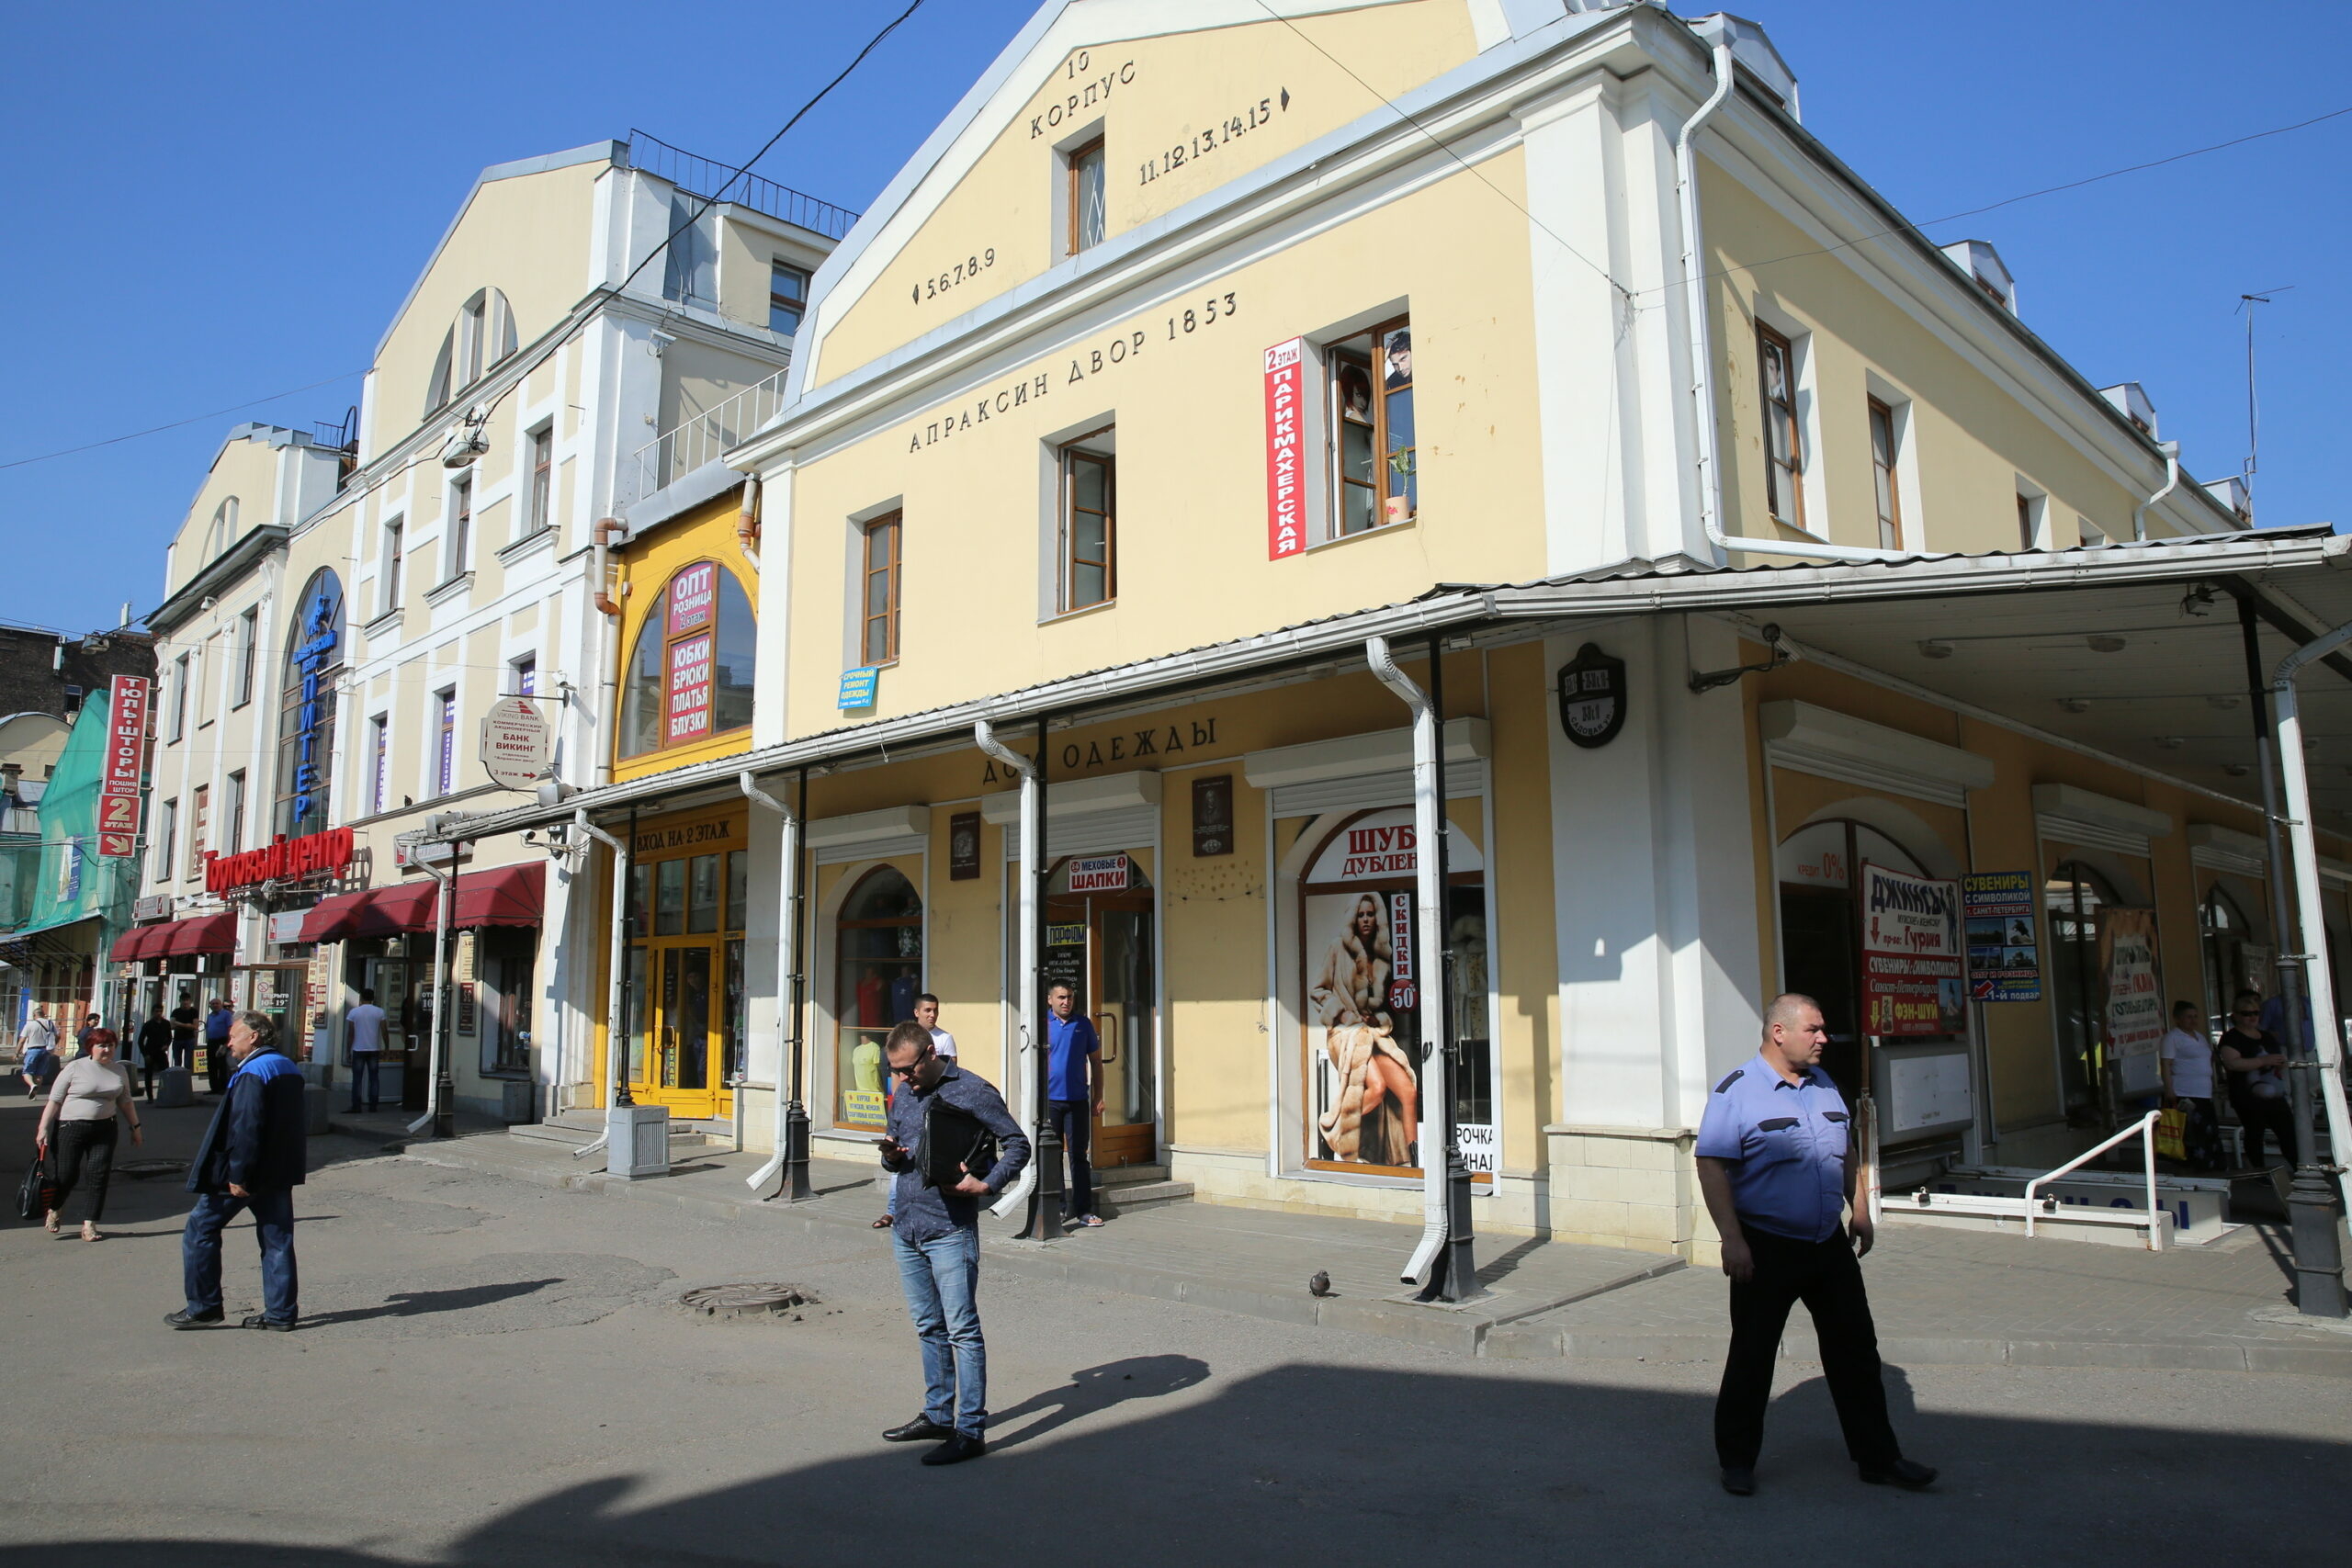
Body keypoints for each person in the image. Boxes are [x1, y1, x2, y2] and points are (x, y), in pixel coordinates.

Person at [1696, 993, 1935, 1497]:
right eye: (1814, 1029)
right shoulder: (1735, 1092)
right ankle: (1737, 1461)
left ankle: (1878, 1457)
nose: (1824, 1038)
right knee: (1753, 1357)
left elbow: (1844, 1149)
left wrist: (1862, 1209)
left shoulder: (1825, 1084)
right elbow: (1711, 1164)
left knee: (1856, 1353)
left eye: (1823, 1029)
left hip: (1828, 1244)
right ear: (1779, 1033)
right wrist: (1732, 1240)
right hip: (1766, 1246)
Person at [875, 1020, 1029, 1466]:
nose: (902, 1077)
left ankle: (970, 1429)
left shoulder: (973, 1090)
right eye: (895, 1069)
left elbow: (1017, 1145)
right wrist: (889, 1155)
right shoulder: (904, 1091)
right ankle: (938, 1414)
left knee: (961, 1329)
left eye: (907, 1068)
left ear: (929, 1054)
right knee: (928, 1326)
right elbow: (898, 1150)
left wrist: (988, 1184)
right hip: (907, 1225)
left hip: (950, 1227)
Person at [167, 1010, 306, 1331]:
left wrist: (238, 1175)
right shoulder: (287, 1066)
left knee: (200, 1228)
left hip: (249, 1172)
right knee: (277, 1240)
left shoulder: (253, 1072)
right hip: (279, 1170)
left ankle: (204, 1306)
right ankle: (280, 1314)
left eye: (234, 1035)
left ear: (253, 1037)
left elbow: (246, 1128)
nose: (229, 1042)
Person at [36, 1027, 143, 1241]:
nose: (107, 1050)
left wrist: (136, 1128)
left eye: (111, 1045)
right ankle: (55, 1208)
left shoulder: (118, 1070)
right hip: (71, 1128)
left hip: (105, 1129)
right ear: (90, 1048)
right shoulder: (75, 1068)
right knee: (66, 1176)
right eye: (102, 1045)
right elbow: (55, 1100)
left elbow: (126, 1101)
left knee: (98, 1175)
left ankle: (89, 1225)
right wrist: (43, 1128)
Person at [876, 995, 958, 1230]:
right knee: (898, 1156)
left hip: (933, 1108)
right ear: (916, 1013)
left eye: (935, 1011)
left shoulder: (944, 1039)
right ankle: (893, 1210)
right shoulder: (903, 1038)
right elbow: (896, 1075)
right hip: (906, 1105)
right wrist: (895, 1102)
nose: (932, 1015)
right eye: (927, 1011)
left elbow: (951, 1073)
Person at [1045, 981, 1106, 1229]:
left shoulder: (1083, 1025)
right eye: (1060, 997)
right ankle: (1058, 1207)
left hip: (1078, 1099)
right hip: (1050, 1101)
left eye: (1069, 997)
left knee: (1079, 1156)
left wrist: (1098, 1096)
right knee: (1052, 1154)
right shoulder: (1042, 1026)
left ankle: (1083, 1210)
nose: (1066, 1002)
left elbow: (1096, 1062)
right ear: (1050, 1000)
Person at [2218, 990, 2297, 1168]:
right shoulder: (2231, 1037)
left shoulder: (2266, 1036)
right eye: (2246, 1013)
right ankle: (2259, 1170)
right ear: (2236, 1016)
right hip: (2246, 1094)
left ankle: (2298, 1167)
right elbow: (2232, 1064)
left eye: (2255, 1013)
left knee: (2287, 1130)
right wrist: (2262, 1061)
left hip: (2275, 1092)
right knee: (2255, 1131)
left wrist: (2279, 1063)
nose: (2252, 1017)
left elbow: (2276, 1057)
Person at [2159, 1000, 2223, 1172]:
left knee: (2208, 1133)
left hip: (2205, 1093)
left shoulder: (2200, 1037)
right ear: (2178, 1019)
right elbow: (2166, 1065)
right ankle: (2194, 1167)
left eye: (2195, 1017)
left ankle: (2213, 1167)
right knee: (2192, 1133)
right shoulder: (2172, 1038)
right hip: (2185, 1092)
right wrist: (2169, 1090)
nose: (2193, 1020)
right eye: (2189, 1017)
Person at [345, 987, 388, 1113]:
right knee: (374, 1078)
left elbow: (351, 1034)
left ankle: (356, 1106)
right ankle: (373, 1106)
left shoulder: (354, 1012)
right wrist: (387, 1047)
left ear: (361, 998)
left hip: (358, 1049)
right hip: (374, 1049)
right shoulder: (379, 1012)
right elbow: (384, 1031)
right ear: (373, 998)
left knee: (357, 1079)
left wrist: (348, 1050)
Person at [17, 1004, 59, 1098]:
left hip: (33, 1050)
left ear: (34, 1016)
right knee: (39, 1074)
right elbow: (58, 1036)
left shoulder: (30, 1024)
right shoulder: (50, 1023)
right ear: (43, 1015)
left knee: (27, 1072)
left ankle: (32, 1085)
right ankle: (34, 1094)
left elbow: (22, 1040)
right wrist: (53, 1045)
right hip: (45, 1051)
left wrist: (16, 1052)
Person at [134, 1004, 174, 1100]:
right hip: (150, 1051)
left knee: (165, 1073)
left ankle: (165, 1094)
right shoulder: (148, 1024)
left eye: (160, 1011)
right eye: (156, 1011)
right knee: (148, 1074)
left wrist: (166, 1045)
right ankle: (150, 1097)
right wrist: (145, 1054)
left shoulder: (166, 1023)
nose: (158, 1013)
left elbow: (169, 1037)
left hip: (161, 1051)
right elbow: (140, 1041)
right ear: (153, 1012)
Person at [202, 998, 233, 1094]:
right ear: (210, 1006)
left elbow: (230, 1028)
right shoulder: (210, 1016)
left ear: (220, 1005)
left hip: (222, 1041)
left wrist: (227, 1042)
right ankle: (214, 1088)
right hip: (211, 1042)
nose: (215, 1005)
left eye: (217, 1004)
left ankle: (222, 1088)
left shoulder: (226, 1014)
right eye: (213, 1004)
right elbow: (207, 1028)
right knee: (211, 1066)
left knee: (222, 1065)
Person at [166, 994, 199, 1071]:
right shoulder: (176, 1011)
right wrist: (187, 1025)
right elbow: (171, 1026)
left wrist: (179, 1024)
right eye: (183, 1000)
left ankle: (186, 1079)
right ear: (180, 1001)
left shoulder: (193, 1011)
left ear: (190, 1001)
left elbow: (195, 1027)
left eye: (187, 1000)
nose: (185, 1002)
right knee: (177, 1062)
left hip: (189, 1039)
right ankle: (178, 1079)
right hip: (178, 1039)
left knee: (188, 1062)